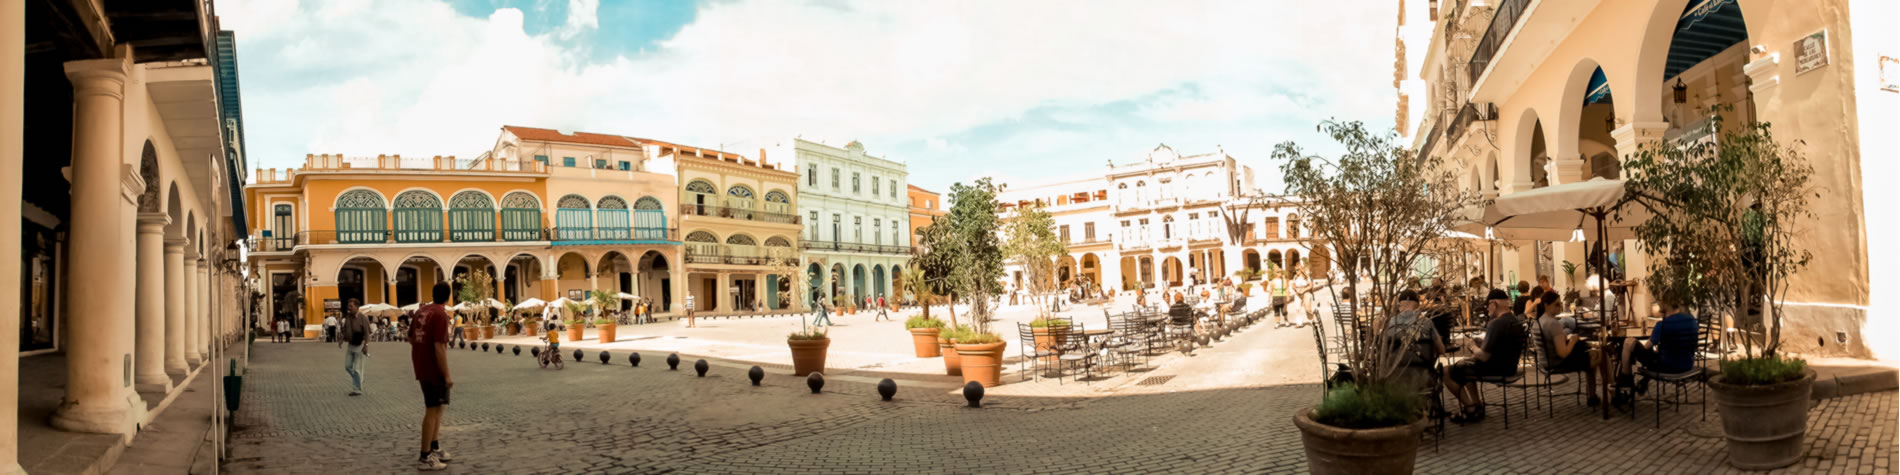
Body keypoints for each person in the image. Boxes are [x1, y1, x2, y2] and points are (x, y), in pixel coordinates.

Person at [1444, 289, 1528, 424]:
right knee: (1466, 364)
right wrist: (1483, 343)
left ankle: (1470, 408)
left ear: (1493, 304)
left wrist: (1471, 345)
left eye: (1488, 305)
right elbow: (1502, 345)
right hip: (1509, 366)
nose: (1487, 309)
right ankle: (1477, 405)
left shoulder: (1496, 324)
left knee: (1445, 371)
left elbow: (1483, 356)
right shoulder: (1514, 320)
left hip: (1495, 369)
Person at [1617, 292, 1699, 399]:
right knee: (1653, 353)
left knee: (1628, 342)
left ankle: (1626, 381)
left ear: (1666, 305)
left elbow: (1647, 347)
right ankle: (1634, 382)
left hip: (1667, 367)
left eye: (1660, 303)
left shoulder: (1663, 325)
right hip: (1687, 365)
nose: (1658, 305)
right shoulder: (1692, 320)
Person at [408, 283, 455, 471]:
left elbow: (410, 337)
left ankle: (434, 446)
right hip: (434, 369)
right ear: (448, 297)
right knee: (432, 410)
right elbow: (439, 346)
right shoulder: (441, 315)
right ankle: (425, 456)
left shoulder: (422, 311)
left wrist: (420, 352)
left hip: (421, 365)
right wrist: (447, 375)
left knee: (438, 408)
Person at [1533, 292, 1600, 406]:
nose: (1560, 307)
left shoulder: (1538, 321)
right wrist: (1573, 340)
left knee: (1593, 353)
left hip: (1544, 362)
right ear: (1546, 305)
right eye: (1557, 305)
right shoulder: (1553, 323)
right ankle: (1596, 394)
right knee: (1596, 356)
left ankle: (1600, 392)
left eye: (1560, 304)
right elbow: (1563, 353)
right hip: (1557, 363)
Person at [1387, 290, 1446, 396]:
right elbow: (1441, 350)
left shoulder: (1389, 324)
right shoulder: (1426, 322)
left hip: (1395, 377)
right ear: (1418, 305)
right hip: (1422, 376)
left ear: (1399, 304)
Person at [339, 299, 371, 396]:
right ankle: (359, 379)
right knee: (348, 366)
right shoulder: (348, 317)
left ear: (357, 307)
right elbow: (345, 329)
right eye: (348, 306)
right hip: (351, 344)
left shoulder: (363, 318)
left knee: (357, 369)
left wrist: (366, 346)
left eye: (351, 306)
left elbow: (367, 333)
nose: (349, 308)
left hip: (360, 345)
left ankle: (357, 390)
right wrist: (341, 339)